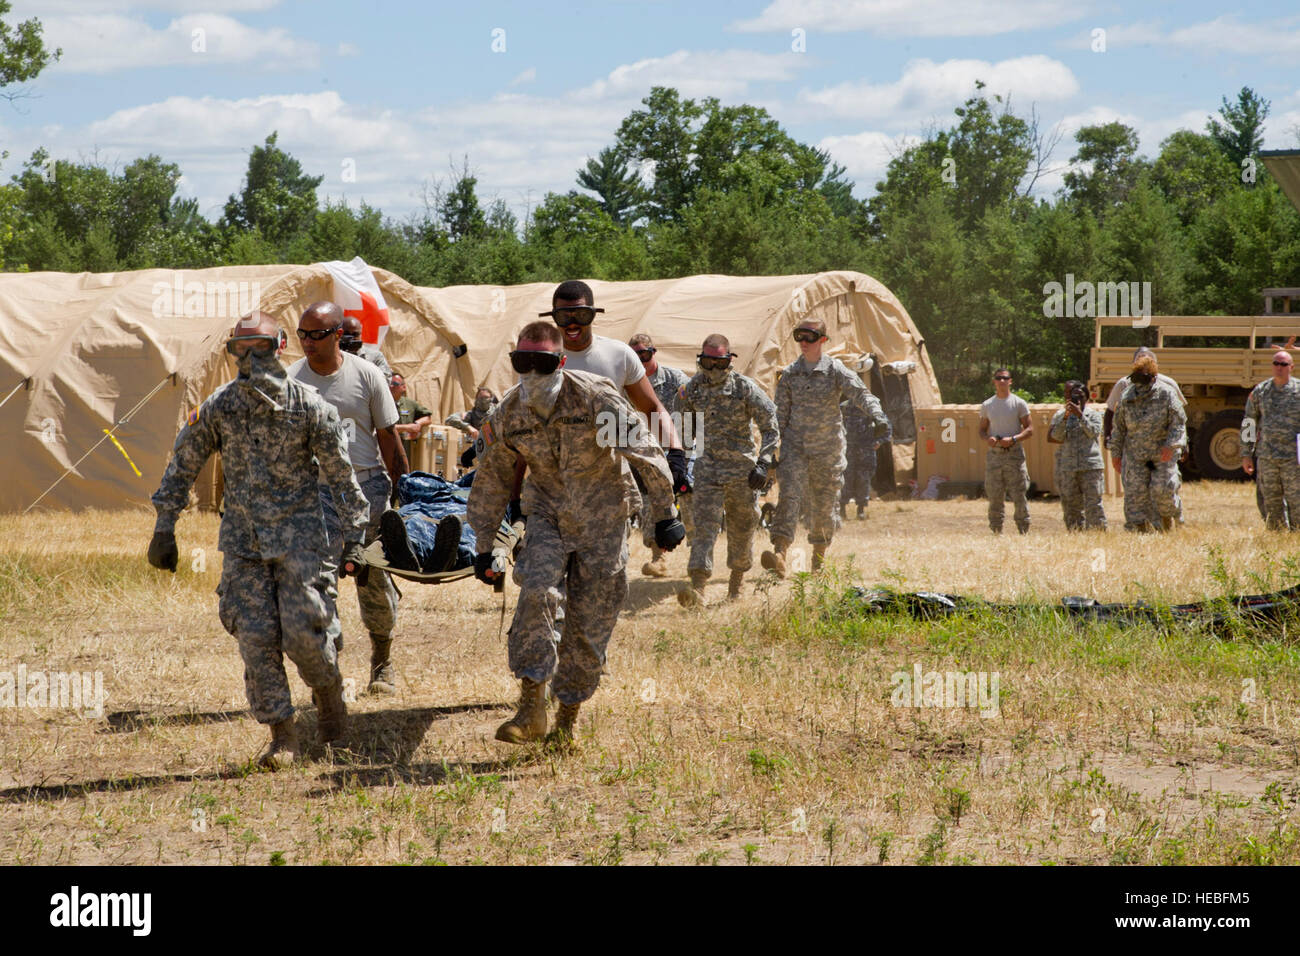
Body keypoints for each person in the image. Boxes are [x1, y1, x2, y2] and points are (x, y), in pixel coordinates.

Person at [147, 313, 369, 769]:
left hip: (301, 542)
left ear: (280, 346)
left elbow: (341, 475)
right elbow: (184, 461)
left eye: (260, 347)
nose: (250, 358)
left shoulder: (309, 406)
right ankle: (282, 734)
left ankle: (328, 696)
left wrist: (356, 537)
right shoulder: (220, 406)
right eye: (240, 350)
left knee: (305, 635)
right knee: (255, 636)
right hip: (245, 543)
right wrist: (164, 525)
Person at [466, 322, 685, 750]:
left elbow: (644, 452)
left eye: (541, 363)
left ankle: (566, 721)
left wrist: (665, 514)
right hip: (547, 514)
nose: (531, 373)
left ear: (560, 362)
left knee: (588, 624)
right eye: (521, 362)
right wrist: (483, 544)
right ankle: (531, 708)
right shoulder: (510, 412)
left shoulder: (594, 397)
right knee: (537, 591)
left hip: (605, 517)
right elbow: (491, 477)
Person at [288, 302, 409, 696]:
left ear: (338, 335)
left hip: (366, 487)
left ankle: (382, 661)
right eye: (302, 334)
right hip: (316, 491)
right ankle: (331, 669)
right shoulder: (291, 381)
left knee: (372, 578)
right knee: (317, 580)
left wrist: (402, 491)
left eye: (317, 334)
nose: (308, 342)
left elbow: (389, 437)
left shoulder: (367, 375)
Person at [541, 281, 691, 496]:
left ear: (593, 314)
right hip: (556, 483)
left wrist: (675, 451)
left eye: (581, 315)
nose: (572, 324)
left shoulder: (619, 355)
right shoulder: (541, 362)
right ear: (554, 317)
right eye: (564, 316)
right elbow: (526, 422)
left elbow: (651, 408)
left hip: (610, 484)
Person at [760, 319, 882, 575]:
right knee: (789, 497)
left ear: (823, 340)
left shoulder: (835, 370)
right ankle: (779, 554)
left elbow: (862, 394)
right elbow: (779, 416)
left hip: (827, 450)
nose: (803, 343)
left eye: (810, 338)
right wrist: (770, 450)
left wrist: (878, 416)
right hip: (796, 449)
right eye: (799, 337)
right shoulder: (790, 374)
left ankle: (818, 560)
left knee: (824, 504)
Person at [674, 334, 778, 606]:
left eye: (719, 362)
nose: (713, 369)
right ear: (701, 359)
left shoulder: (745, 388)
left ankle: (736, 586)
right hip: (707, 472)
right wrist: (682, 464)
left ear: (729, 360)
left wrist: (763, 463)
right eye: (708, 362)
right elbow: (682, 431)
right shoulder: (691, 390)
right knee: (703, 528)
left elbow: (770, 427)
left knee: (742, 527)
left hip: (743, 473)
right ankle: (698, 588)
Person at [630, 332, 693, 577]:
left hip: (676, 453)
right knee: (650, 507)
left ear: (653, 353)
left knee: (690, 506)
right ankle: (659, 557)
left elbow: (693, 411)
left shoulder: (675, 379)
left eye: (644, 354)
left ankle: (698, 557)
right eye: (635, 356)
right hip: (645, 455)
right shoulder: (626, 383)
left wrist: (687, 450)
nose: (641, 360)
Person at [1104, 346, 1186, 525]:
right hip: (1135, 454)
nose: (1140, 384)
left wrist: (1172, 445)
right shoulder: (1127, 396)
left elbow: (1178, 423)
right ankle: (1139, 529)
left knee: (1162, 490)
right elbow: (1118, 428)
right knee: (1135, 494)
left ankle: (1172, 516)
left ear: (1154, 377)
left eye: (1144, 379)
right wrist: (1115, 454)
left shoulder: (1166, 393)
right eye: (1136, 379)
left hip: (1161, 454)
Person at [1241, 350, 1300, 530]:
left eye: (1283, 364)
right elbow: (1249, 423)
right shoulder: (1261, 391)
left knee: (1297, 501)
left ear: (1291, 367)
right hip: (1268, 457)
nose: (1279, 368)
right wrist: (1246, 454)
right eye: (1276, 363)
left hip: (1293, 459)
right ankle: (1277, 539)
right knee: (1271, 502)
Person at [979, 368, 1034, 535]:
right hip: (995, 456)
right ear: (994, 381)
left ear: (1010, 381)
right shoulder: (987, 405)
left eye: (1005, 378)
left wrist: (1014, 439)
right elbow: (982, 430)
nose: (1001, 381)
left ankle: (1023, 530)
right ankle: (996, 531)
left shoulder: (1019, 403)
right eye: (998, 378)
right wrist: (988, 439)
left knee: (1019, 495)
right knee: (995, 496)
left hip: (1014, 455)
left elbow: (1030, 429)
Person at [1047, 380, 1107, 531]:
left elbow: (1093, 432)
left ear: (1086, 398)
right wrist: (1066, 417)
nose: (1076, 399)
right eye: (1074, 396)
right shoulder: (1061, 415)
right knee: (1071, 504)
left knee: (1093, 503)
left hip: (1090, 466)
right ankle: (1075, 533)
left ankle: (1097, 533)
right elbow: (1056, 437)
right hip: (1069, 467)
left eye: (1080, 396)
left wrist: (1080, 415)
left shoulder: (1094, 415)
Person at [839, 356, 892, 520]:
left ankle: (861, 509)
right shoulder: (843, 408)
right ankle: (841, 509)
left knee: (863, 480)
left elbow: (886, 427)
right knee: (845, 480)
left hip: (866, 450)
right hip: (847, 450)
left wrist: (879, 442)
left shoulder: (871, 407)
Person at [389, 372, 433, 465]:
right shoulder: (381, 404)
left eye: (395, 384)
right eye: (389, 383)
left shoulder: (409, 404)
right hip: (386, 449)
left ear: (403, 387)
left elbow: (428, 418)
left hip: (405, 451)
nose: (391, 386)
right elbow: (381, 427)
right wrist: (407, 428)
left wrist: (417, 424)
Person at [339, 314, 392, 379]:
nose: (351, 338)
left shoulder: (375, 357)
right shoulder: (334, 356)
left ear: (360, 334)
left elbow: (386, 378)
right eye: (347, 334)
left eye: (355, 334)